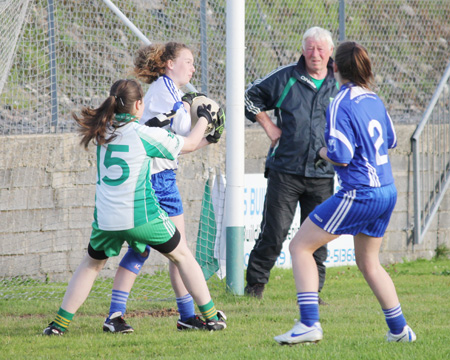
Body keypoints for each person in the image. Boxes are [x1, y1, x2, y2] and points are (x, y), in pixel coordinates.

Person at [43, 79, 226, 335]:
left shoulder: (102, 131)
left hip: (106, 221)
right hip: (141, 218)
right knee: (182, 255)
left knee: (91, 265)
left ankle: (58, 326)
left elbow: (132, 133)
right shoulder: (145, 135)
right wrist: (207, 120)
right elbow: (191, 143)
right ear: (139, 104)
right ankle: (211, 317)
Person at [274, 41, 416, 345]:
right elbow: (390, 141)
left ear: (333, 67)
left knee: (300, 247)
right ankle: (400, 330)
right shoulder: (374, 99)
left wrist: (322, 151)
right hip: (387, 190)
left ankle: (309, 323)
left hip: (361, 192)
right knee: (368, 262)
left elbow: (341, 154)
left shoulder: (340, 101)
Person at [102, 42, 223, 334]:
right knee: (176, 251)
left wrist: (208, 137)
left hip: (156, 176)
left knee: (154, 251)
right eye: (188, 61)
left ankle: (171, 315)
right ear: (169, 63)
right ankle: (188, 315)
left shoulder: (168, 91)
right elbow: (182, 134)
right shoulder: (165, 91)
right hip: (157, 181)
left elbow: (178, 145)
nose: (193, 68)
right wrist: (204, 119)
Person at [244, 27, 338, 300]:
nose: (315, 54)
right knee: (274, 233)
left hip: (323, 173)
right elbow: (249, 97)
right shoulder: (287, 77)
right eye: (310, 48)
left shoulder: (339, 82)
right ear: (302, 49)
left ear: (330, 52)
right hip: (285, 171)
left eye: (321, 49)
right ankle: (255, 287)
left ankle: (313, 291)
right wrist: (268, 126)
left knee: (318, 238)